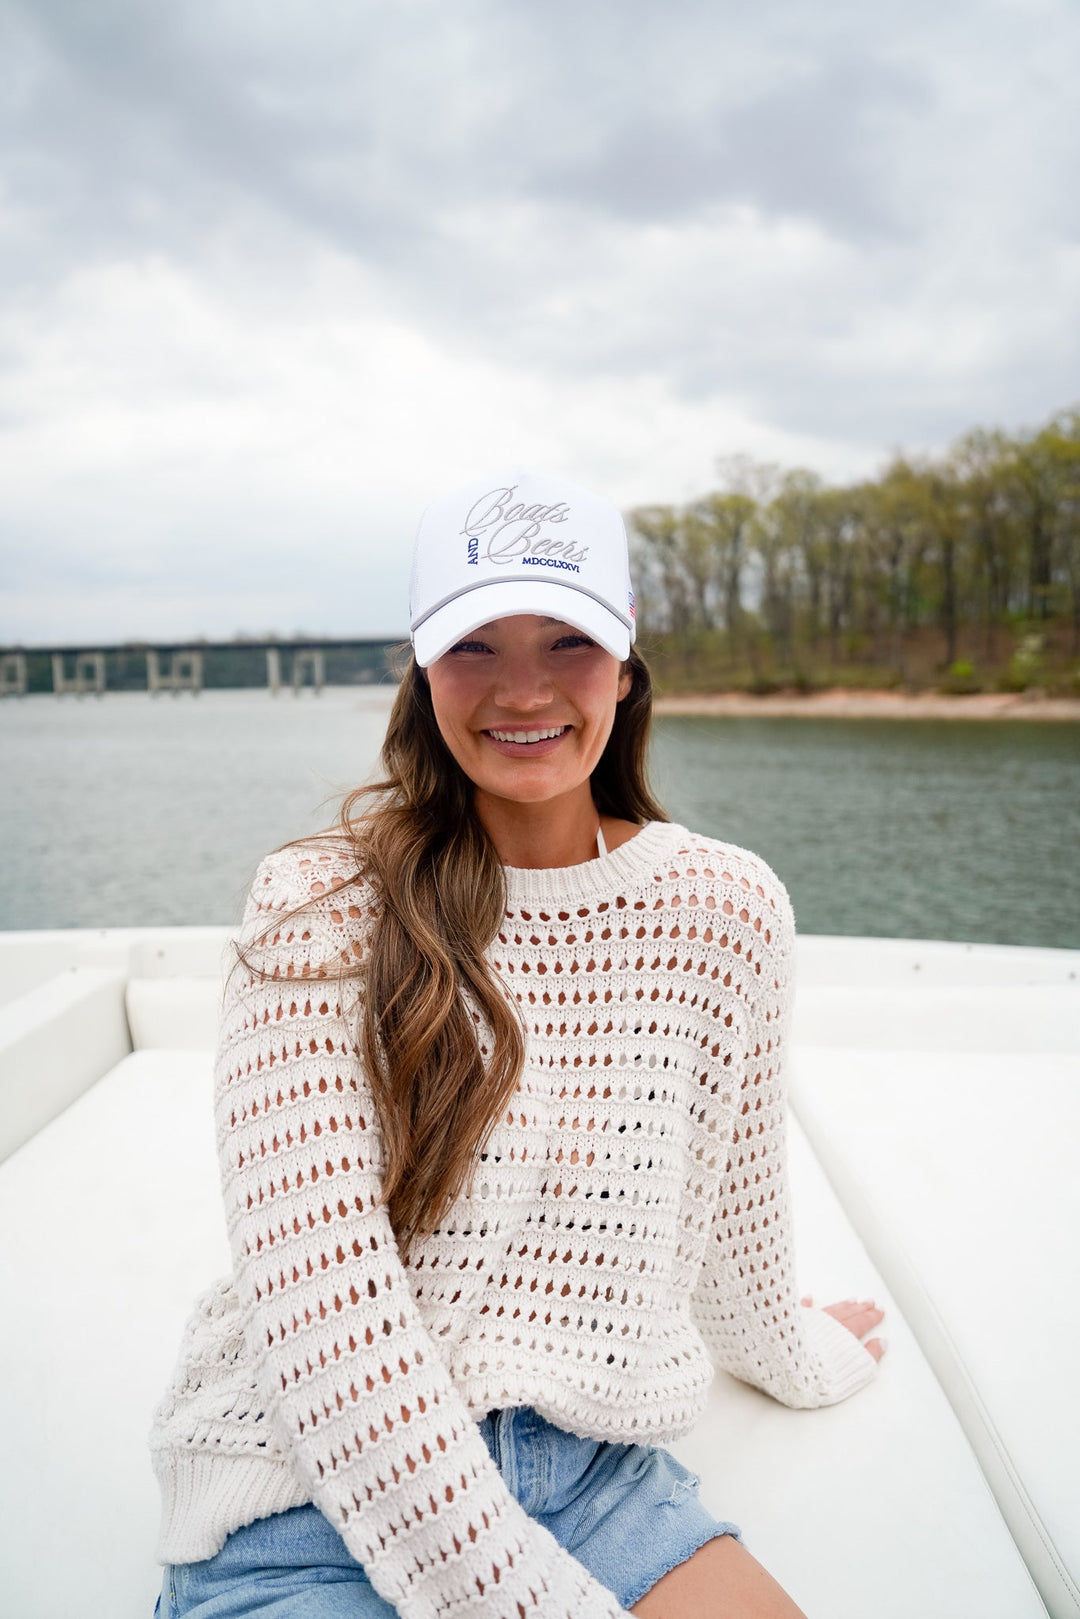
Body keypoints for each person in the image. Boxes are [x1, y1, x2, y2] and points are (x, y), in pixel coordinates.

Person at [148, 469, 886, 1619]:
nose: (523, 688)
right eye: (476, 646)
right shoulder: (318, 904)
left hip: (591, 1470)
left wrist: (809, 1352)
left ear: (629, 662)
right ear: (423, 667)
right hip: (306, 1490)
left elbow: (728, 1214)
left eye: (569, 641)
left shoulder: (726, 906)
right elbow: (328, 1325)